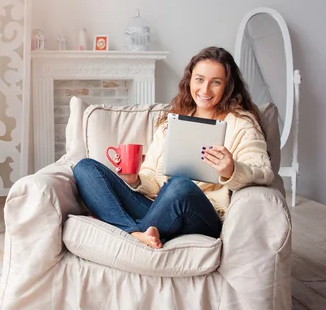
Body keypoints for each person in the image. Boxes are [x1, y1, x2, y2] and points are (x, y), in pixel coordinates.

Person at [73, 46, 274, 249]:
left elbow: (263, 171)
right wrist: (135, 179)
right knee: (85, 168)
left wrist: (232, 170)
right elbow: (151, 175)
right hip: (157, 206)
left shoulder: (241, 123)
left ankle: (130, 230)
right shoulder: (173, 120)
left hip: (201, 214)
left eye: (215, 82)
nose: (205, 90)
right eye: (199, 79)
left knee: (180, 185)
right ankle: (136, 233)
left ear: (228, 86)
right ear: (189, 81)